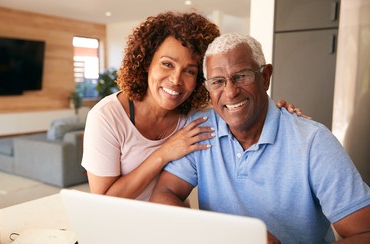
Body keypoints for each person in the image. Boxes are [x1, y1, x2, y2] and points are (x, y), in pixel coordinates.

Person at [149, 33, 370, 244]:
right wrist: (222, 237)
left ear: (265, 77)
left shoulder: (313, 142)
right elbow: (163, 194)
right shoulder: (201, 130)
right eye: (217, 81)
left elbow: (365, 234)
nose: (231, 91)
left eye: (241, 76)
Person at [82, 12, 303, 201]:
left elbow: (239, 107)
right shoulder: (107, 117)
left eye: (189, 70)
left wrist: (277, 112)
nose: (176, 80)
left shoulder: (196, 115)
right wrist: (163, 153)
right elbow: (103, 200)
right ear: (147, 62)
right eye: (167, 64)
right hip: (120, 228)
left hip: (173, 224)